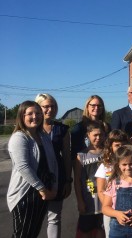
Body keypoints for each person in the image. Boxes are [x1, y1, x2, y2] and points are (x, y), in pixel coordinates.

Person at [7, 101, 58, 238]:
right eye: (30, 113)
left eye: (37, 113)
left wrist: (54, 186)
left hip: (42, 194)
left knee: (33, 233)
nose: (35, 116)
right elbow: (23, 167)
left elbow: (52, 163)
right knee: (22, 234)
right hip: (25, 194)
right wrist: (42, 189)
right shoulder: (19, 137)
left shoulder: (43, 136)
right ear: (22, 116)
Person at [35, 93, 72, 238]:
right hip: (36, 177)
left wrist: (68, 181)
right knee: (33, 218)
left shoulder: (62, 129)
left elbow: (67, 157)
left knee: (54, 218)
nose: (49, 109)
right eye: (45, 106)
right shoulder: (31, 128)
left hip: (57, 177)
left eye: (52, 106)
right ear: (38, 107)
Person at [74, 121, 105, 238]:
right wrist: (80, 201)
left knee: (101, 230)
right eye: (95, 135)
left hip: (105, 201)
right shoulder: (81, 155)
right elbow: (77, 180)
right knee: (86, 231)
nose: (98, 138)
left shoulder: (108, 153)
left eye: (101, 134)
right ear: (88, 135)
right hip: (88, 200)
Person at [95, 129, 129, 237]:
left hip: (130, 209)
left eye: (123, 145)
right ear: (111, 147)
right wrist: (109, 208)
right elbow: (100, 190)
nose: (121, 148)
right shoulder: (104, 166)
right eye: (117, 145)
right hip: (111, 211)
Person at [71, 95, 110, 160]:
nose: (96, 108)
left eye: (99, 105)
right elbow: (74, 152)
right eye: (93, 105)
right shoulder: (79, 128)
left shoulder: (107, 127)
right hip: (86, 166)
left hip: (105, 163)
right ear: (87, 107)